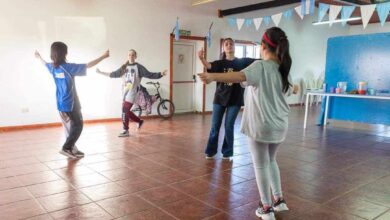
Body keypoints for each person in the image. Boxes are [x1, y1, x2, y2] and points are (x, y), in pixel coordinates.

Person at [198, 27, 298, 220]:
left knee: (260, 165)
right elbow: (290, 89)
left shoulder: (260, 66)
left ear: (263, 46)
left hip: (261, 126)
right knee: (271, 160)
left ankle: (266, 207)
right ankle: (279, 200)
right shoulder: (284, 70)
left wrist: (213, 76)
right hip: (279, 126)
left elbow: (238, 76)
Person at [35, 42, 109, 159]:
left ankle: (72, 149)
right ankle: (67, 148)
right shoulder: (68, 67)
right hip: (71, 103)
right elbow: (88, 65)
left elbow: (44, 64)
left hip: (60, 103)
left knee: (69, 128)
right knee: (78, 125)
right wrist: (103, 57)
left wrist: (38, 57)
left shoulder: (53, 67)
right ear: (65, 53)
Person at [198, 38, 257, 160]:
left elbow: (258, 62)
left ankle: (227, 152)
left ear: (234, 46)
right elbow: (209, 65)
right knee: (215, 126)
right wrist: (201, 58)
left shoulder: (242, 62)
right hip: (219, 99)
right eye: (226, 44)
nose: (229, 45)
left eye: (231, 44)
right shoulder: (220, 63)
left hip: (235, 100)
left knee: (229, 126)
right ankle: (210, 151)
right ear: (223, 48)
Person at [96, 49, 167, 137]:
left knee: (124, 110)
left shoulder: (139, 67)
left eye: (133, 55)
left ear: (135, 56)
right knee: (126, 111)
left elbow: (149, 74)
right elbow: (113, 74)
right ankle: (139, 121)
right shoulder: (124, 67)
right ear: (127, 56)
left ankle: (125, 130)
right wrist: (100, 72)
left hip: (133, 92)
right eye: (129, 55)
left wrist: (160, 74)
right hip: (125, 92)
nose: (131, 56)